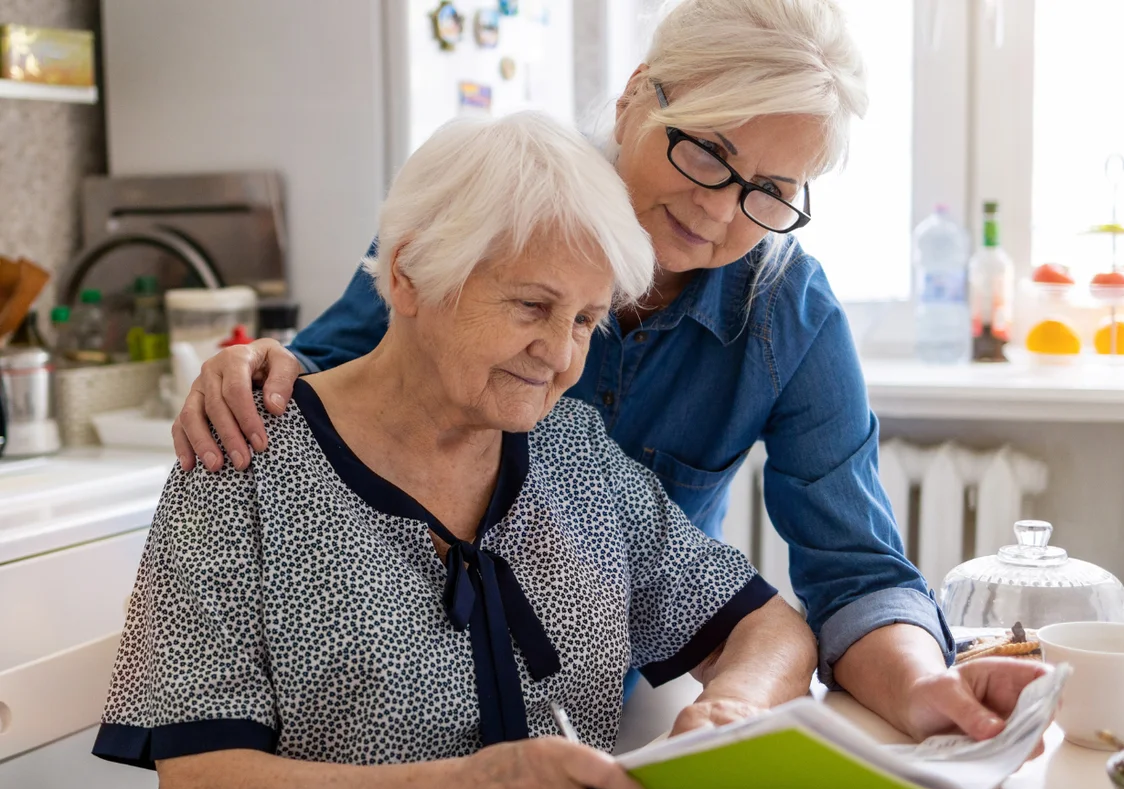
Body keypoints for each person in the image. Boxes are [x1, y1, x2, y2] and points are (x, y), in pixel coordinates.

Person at [174, 0, 1048, 746]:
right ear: (637, 97)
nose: (716, 208)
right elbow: (328, 383)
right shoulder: (489, 211)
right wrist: (250, 368)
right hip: (382, 696)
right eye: (706, 152)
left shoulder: (787, 315)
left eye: (769, 190)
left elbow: (855, 573)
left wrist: (926, 688)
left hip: (600, 699)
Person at [94, 112, 817, 789]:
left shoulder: (577, 453)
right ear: (408, 273)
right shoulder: (243, 459)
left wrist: (734, 709)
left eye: (584, 320)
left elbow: (769, 630)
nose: (560, 357)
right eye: (532, 305)